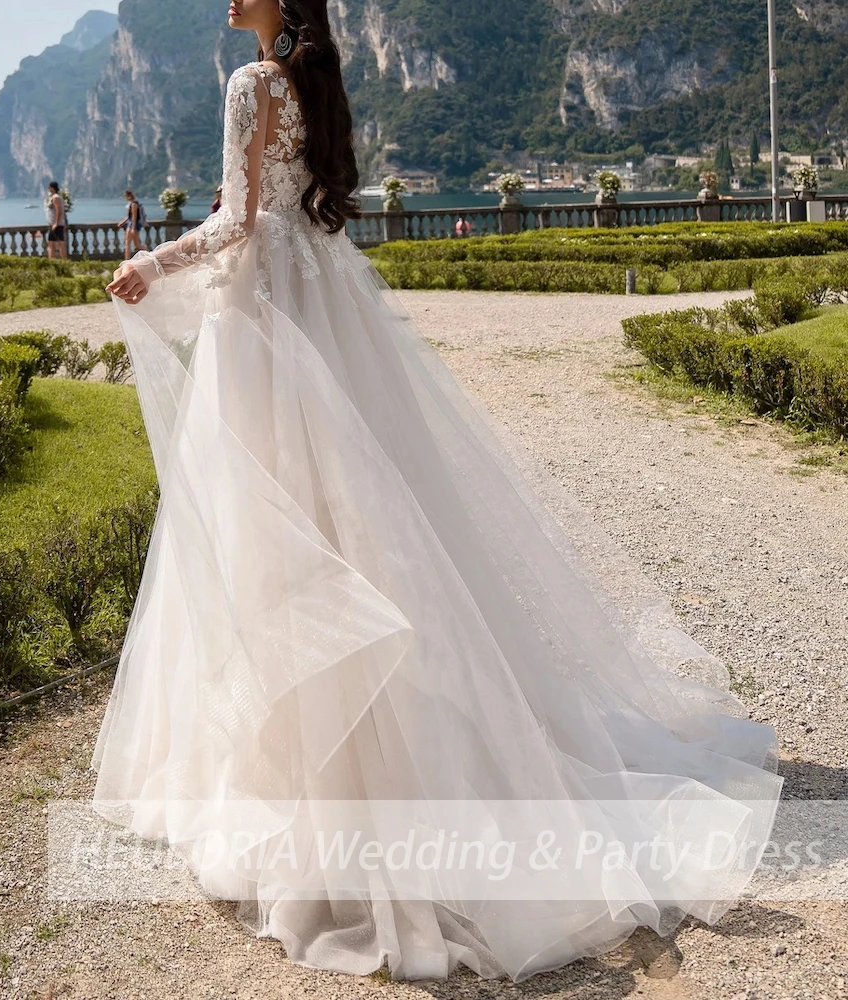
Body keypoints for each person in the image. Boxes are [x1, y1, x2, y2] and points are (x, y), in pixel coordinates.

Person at [98, 0, 782, 984]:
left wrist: (147, 262)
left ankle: (317, 796)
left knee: (277, 539)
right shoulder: (313, 84)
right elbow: (294, 211)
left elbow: (238, 220)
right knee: (364, 523)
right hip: (319, 309)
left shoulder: (253, 84)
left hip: (262, 330)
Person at [118, 189, 147, 259]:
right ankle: (149, 253)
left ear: (128, 196)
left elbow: (134, 217)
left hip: (132, 225)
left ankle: (127, 260)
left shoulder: (134, 204)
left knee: (128, 243)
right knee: (136, 244)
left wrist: (133, 228)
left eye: (125, 196)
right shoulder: (133, 203)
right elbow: (129, 216)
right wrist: (123, 222)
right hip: (132, 224)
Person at [44, 182, 67, 260]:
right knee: (51, 244)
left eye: (49, 187)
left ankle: (64, 261)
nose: (49, 189)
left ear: (53, 188)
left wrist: (56, 223)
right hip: (54, 224)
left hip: (56, 225)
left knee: (60, 243)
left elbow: (59, 211)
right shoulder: (53, 197)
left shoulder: (56, 198)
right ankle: (51, 261)